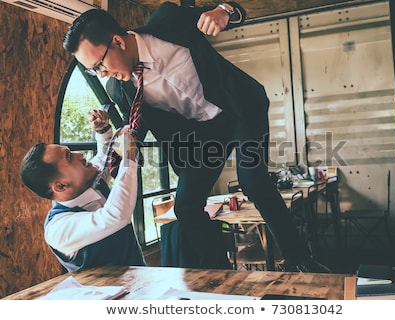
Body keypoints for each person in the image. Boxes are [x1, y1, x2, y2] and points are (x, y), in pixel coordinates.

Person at [62, 1, 330, 272]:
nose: (102, 74)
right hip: (205, 134)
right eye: (93, 71)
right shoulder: (120, 89)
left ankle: (302, 261)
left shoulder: (167, 20)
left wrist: (224, 12)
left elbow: (230, 11)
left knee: (253, 182)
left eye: (100, 65)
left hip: (239, 110)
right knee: (186, 207)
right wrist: (114, 137)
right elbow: (136, 128)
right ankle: (221, 275)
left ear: (118, 42)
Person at [20, 109, 146, 272]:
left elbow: (103, 157)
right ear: (61, 186)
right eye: (70, 157)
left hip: (142, 280)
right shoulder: (58, 229)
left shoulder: (91, 182)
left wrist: (102, 131)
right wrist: (129, 157)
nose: (80, 154)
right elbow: (115, 216)